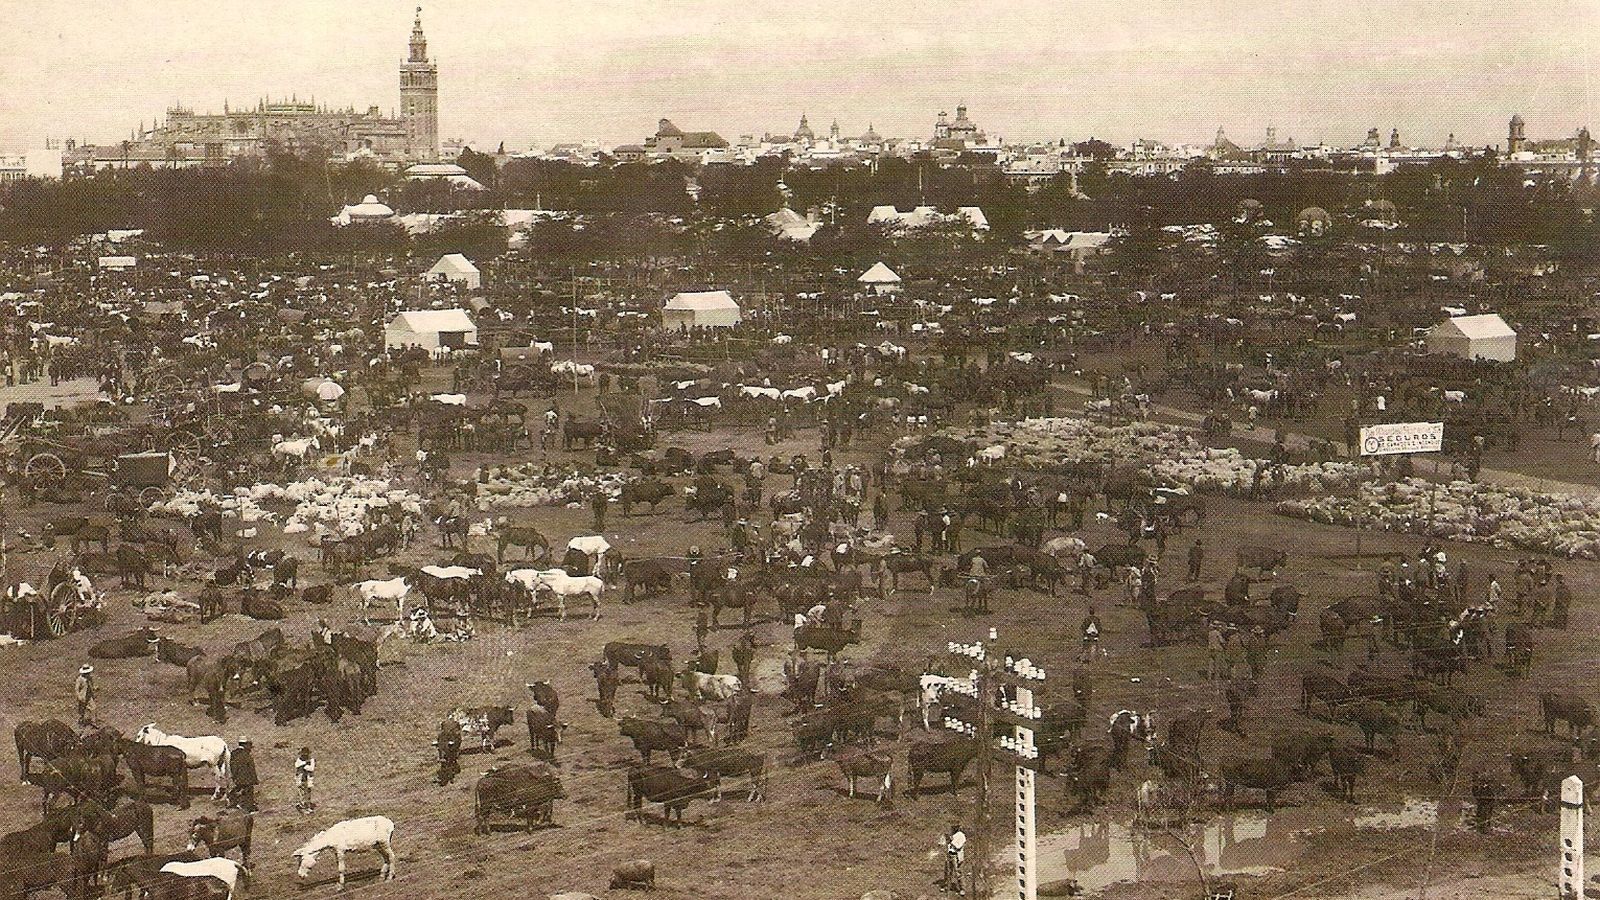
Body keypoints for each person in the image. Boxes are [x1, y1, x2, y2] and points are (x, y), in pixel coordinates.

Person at [228, 737, 259, 811]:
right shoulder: (246, 755)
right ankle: (246, 806)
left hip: (236, 778)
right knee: (248, 792)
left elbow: (232, 766)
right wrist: (255, 780)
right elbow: (251, 768)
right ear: (245, 744)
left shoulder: (233, 753)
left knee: (238, 790)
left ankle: (234, 802)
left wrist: (234, 777)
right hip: (247, 779)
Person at [943, 824, 967, 892]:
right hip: (950, 854)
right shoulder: (952, 835)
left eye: (954, 827)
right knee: (948, 871)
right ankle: (947, 886)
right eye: (952, 827)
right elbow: (947, 845)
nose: (952, 829)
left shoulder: (961, 835)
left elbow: (958, 847)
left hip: (957, 856)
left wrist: (950, 841)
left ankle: (962, 888)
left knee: (958, 872)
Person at [294, 747, 316, 813]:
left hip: (309, 778)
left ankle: (307, 806)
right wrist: (304, 764)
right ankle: (302, 807)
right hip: (301, 778)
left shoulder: (311, 760)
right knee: (302, 792)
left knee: (308, 792)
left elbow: (311, 768)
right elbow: (297, 765)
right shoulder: (299, 760)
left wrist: (304, 767)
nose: (305, 756)